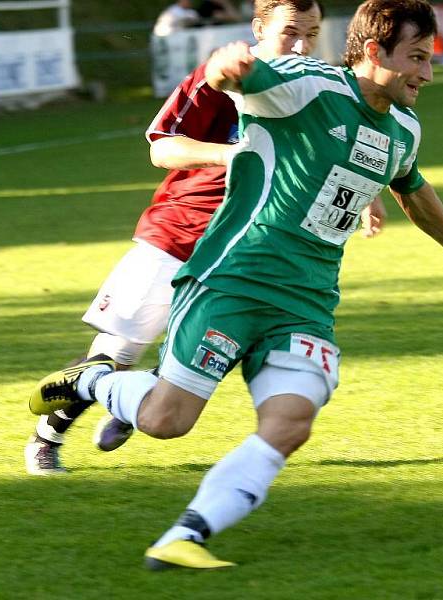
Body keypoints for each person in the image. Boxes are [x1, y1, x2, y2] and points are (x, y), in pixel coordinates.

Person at [30, 0, 443, 570]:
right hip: (234, 281)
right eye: (417, 58)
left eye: (429, 59)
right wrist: (229, 71)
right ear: (374, 52)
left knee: (290, 422)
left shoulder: (403, 127)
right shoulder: (307, 84)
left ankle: (186, 535)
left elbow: (411, 186)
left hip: (306, 305)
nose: (427, 73)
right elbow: (248, 80)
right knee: (165, 422)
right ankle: (96, 381)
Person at [25, 0, 392, 475]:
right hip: (181, 232)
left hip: (249, 248)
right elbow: (163, 148)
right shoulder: (225, 76)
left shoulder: (316, 84)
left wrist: (368, 193)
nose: (302, 45)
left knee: (225, 341)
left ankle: (146, 395)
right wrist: (236, 154)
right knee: (118, 351)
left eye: (312, 33)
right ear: (259, 30)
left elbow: (346, 147)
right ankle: (46, 438)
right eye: (290, 33)